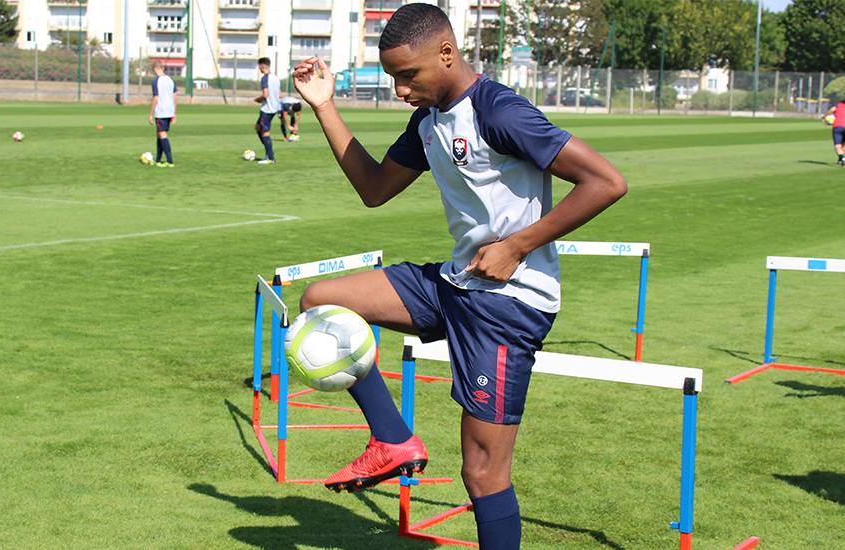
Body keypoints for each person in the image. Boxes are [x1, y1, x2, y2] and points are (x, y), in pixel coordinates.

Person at [292, 4, 626, 549]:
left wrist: (518, 245)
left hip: (510, 304)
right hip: (458, 282)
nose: (400, 89)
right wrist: (325, 105)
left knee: (482, 473)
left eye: (408, 76)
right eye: (393, 78)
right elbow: (374, 188)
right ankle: (393, 439)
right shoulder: (427, 121)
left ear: (447, 54)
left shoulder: (499, 111)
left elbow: (606, 182)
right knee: (323, 300)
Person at [148, 61, 178, 168]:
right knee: (159, 133)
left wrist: (151, 113)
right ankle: (158, 159)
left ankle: (170, 161)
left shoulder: (156, 81)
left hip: (161, 111)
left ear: (155, 69)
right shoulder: (170, 80)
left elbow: (156, 98)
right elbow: (175, 96)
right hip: (169, 110)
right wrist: (174, 112)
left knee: (162, 134)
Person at [254, 57, 281, 165]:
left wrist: (258, 99)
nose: (259, 68)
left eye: (259, 66)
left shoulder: (265, 78)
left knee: (264, 132)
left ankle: (270, 157)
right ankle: (268, 153)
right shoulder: (276, 78)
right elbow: (279, 94)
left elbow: (265, 95)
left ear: (262, 66)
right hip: (274, 108)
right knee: (258, 128)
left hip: (267, 109)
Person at [822, 100, 845, 166]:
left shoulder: (838, 104)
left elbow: (831, 110)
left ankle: (841, 158)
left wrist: (825, 116)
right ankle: (842, 158)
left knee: (838, 145)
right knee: (843, 144)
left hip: (837, 126)